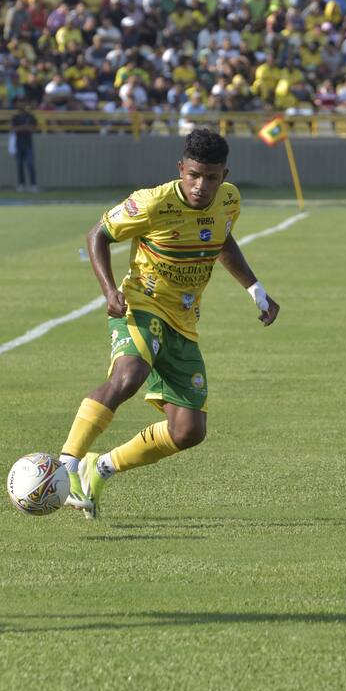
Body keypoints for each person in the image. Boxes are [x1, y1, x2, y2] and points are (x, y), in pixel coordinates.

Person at [57, 129, 282, 519]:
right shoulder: (151, 202)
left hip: (184, 319)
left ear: (224, 175)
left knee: (189, 430)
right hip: (142, 305)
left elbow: (222, 242)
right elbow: (98, 236)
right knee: (128, 376)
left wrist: (256, 289)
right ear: (181, 169)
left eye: (211, 177)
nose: (201, 185)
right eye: (194, 174)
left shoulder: (229, 201)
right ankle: (66, 465)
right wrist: (109, 291)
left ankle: (101, 468)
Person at [10, 102, 38, 193]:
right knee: (19, 165)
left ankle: (33, 185)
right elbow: (14, 129)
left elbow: (33, 129)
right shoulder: (15, 117)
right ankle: (21, 184)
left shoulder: (31, 117)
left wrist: (22, 128)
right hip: (19, 144)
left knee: (30, 165)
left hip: (28, 144)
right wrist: (24, 127)